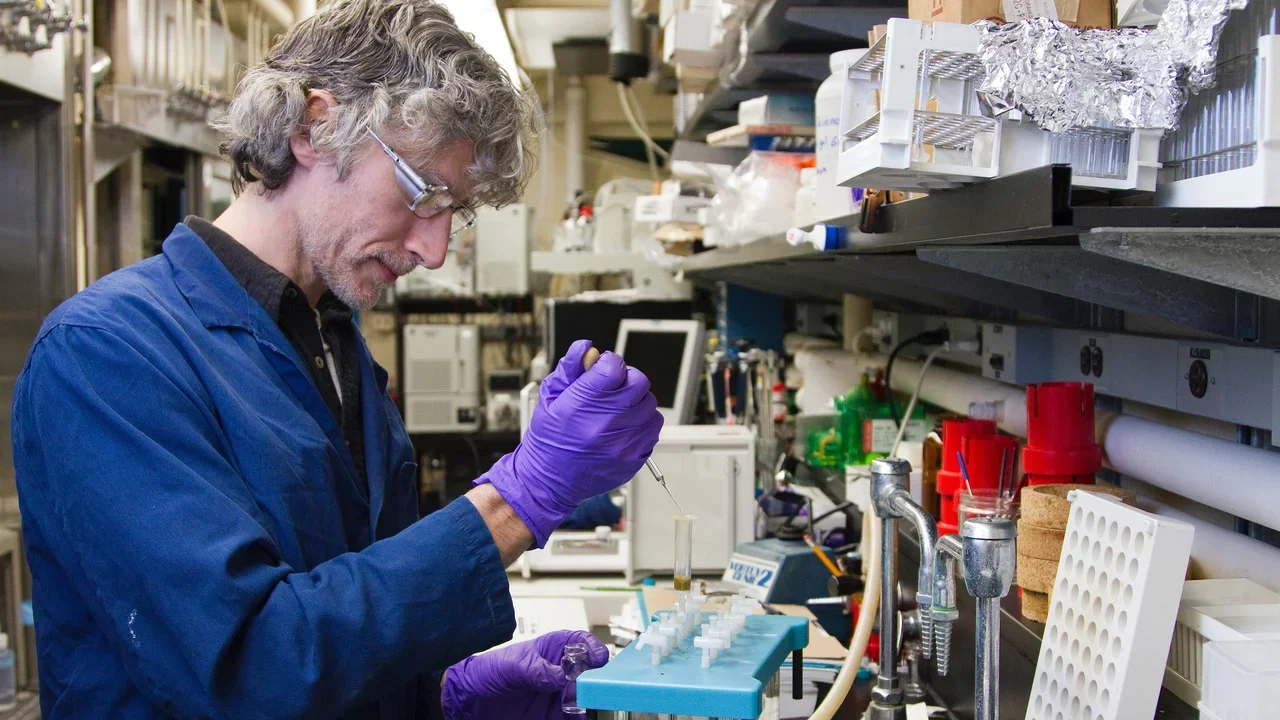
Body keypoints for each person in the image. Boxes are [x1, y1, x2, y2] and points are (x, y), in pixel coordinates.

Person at [9, 0, 664, 717]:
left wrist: (440, 692)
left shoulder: (333, 344)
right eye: (423, 195)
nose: (435, 250)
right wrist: (516, 500)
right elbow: (251, 666)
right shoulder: (108, 354)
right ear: (314, 128)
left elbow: (343, 604)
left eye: (457, 212)